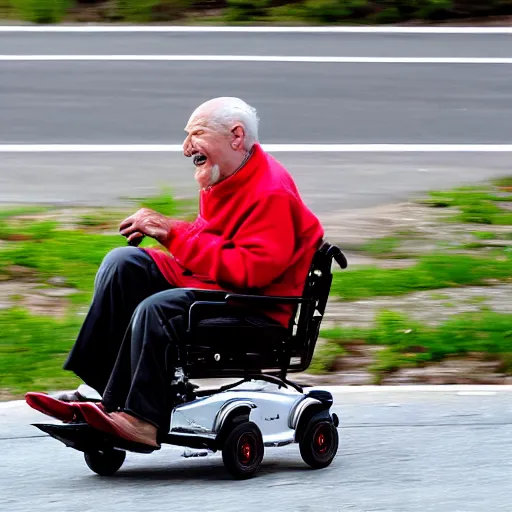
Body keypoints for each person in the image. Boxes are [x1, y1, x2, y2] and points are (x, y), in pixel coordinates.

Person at [25, 97, 324, 449]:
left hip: (256, 312)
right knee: (123, 265)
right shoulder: (230, 175)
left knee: (158, 309)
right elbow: (214, 242)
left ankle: (141, 420)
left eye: (196, 134)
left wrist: (172, 232)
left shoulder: (271, 193)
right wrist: (169, 232)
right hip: (222, 290)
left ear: (236, 136)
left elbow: (249, 273)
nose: (186, 148)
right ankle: (101, 391)